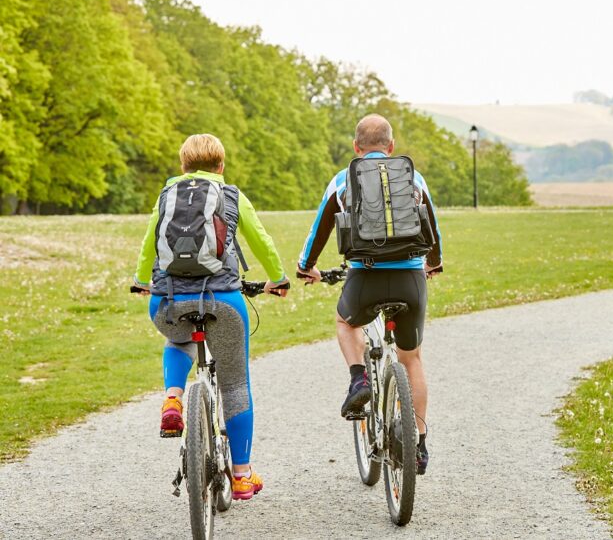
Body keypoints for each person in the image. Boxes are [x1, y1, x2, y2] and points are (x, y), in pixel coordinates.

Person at [133, 133, 289, 500]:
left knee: (178, 338)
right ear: (221, 166)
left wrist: (142, 282)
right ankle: (242, 475)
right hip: (224, 301)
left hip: (167, 300)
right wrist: (278, 278)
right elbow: (261, 240)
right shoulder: (230, 194)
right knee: (235, 386)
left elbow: (147, 244)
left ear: (182, 166)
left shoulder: (166, 195)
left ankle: (173, 397)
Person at [296, 114, 442, 475]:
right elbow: (432, 227)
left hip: (366, 277)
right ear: (392, 146)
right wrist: (433, 264)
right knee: (412, 359)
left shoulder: (343, 179)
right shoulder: (413, 176)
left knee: (346, 321)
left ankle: (359, 377)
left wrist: (306, 266)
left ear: (356, 148)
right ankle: (419, 443)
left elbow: (320, 229)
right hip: (410, 277)